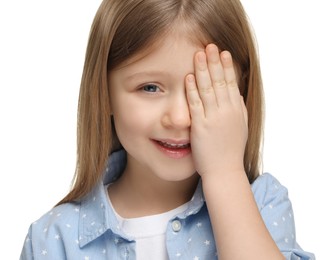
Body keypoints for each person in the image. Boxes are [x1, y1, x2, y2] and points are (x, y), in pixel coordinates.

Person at [20, 0, 315, 259]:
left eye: (202, 87)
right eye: (149, 87)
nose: (179, 118)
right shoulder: (53, 239)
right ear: (104, 92)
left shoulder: (262, 204)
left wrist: (225, 174)